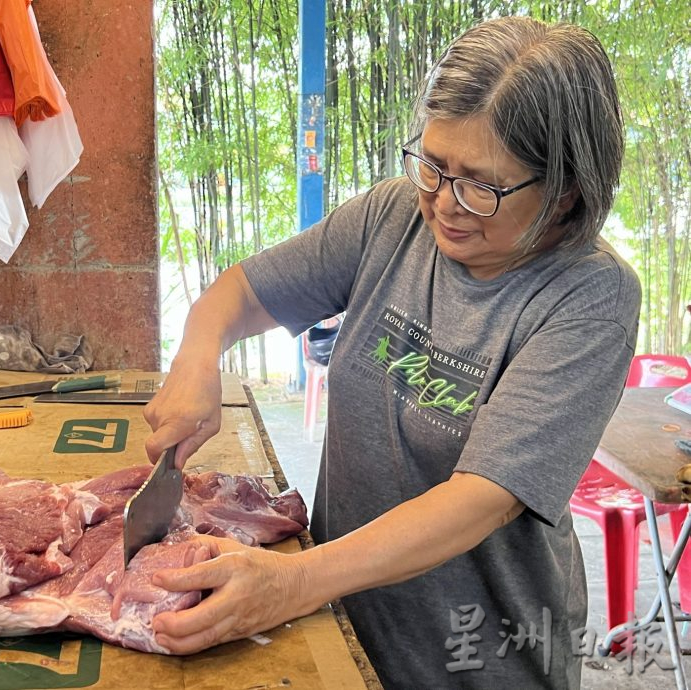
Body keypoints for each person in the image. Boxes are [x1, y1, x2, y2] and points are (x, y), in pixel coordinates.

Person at [143, 15, 640, 689]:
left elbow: (485, 496)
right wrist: (197, 360)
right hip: (346, 618)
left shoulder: (589, 295)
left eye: (481, 184)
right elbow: (243, 292)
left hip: (475, 656)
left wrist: (293, 582)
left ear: (565, 190)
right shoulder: (393, 217)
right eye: (433, 164)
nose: (445, 202)